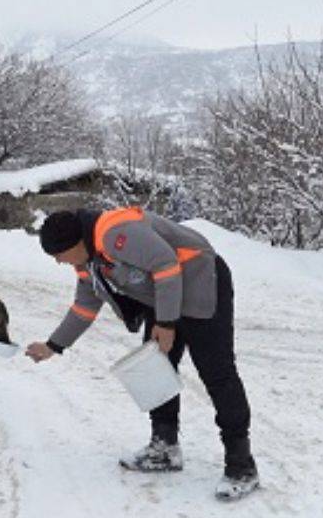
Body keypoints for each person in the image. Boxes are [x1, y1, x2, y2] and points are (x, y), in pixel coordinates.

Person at [25, 207, 259, 501]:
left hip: (201, 280)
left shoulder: (114, 234)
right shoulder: (88, 261)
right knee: (156, 367)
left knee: (217, 373)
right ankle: (164, 448)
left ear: (74, 244)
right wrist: (53, 346)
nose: (59, 262)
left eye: (59, 255)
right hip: (166, 295)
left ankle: (242, 465)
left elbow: (166, 264)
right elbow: (84, 308)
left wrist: (166, 323)